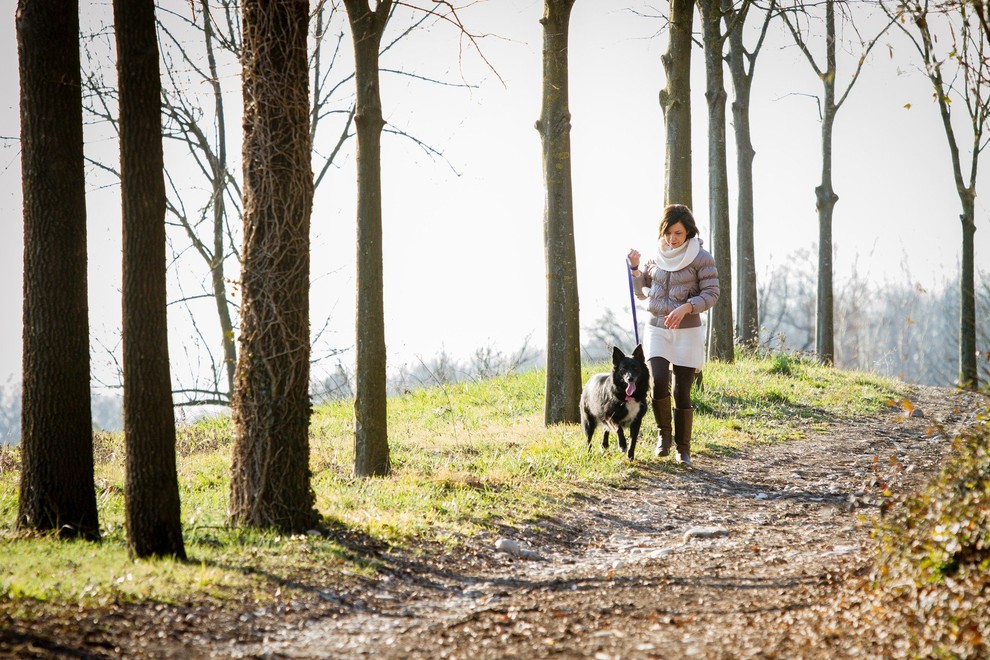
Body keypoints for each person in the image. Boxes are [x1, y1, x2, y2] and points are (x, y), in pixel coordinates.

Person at [627, 204, 719, 465]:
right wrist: (635, 269)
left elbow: (712, 293)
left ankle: (683, 448)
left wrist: (687, 307)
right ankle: (663, 437)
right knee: (657, 380)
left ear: (688, 231)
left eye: (677, 233)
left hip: (686, 332)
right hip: (656, 328)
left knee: (682, 391)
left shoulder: (701, 258)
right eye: (668, 232)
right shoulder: (656, 256)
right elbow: (642, 289)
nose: (672, 238)